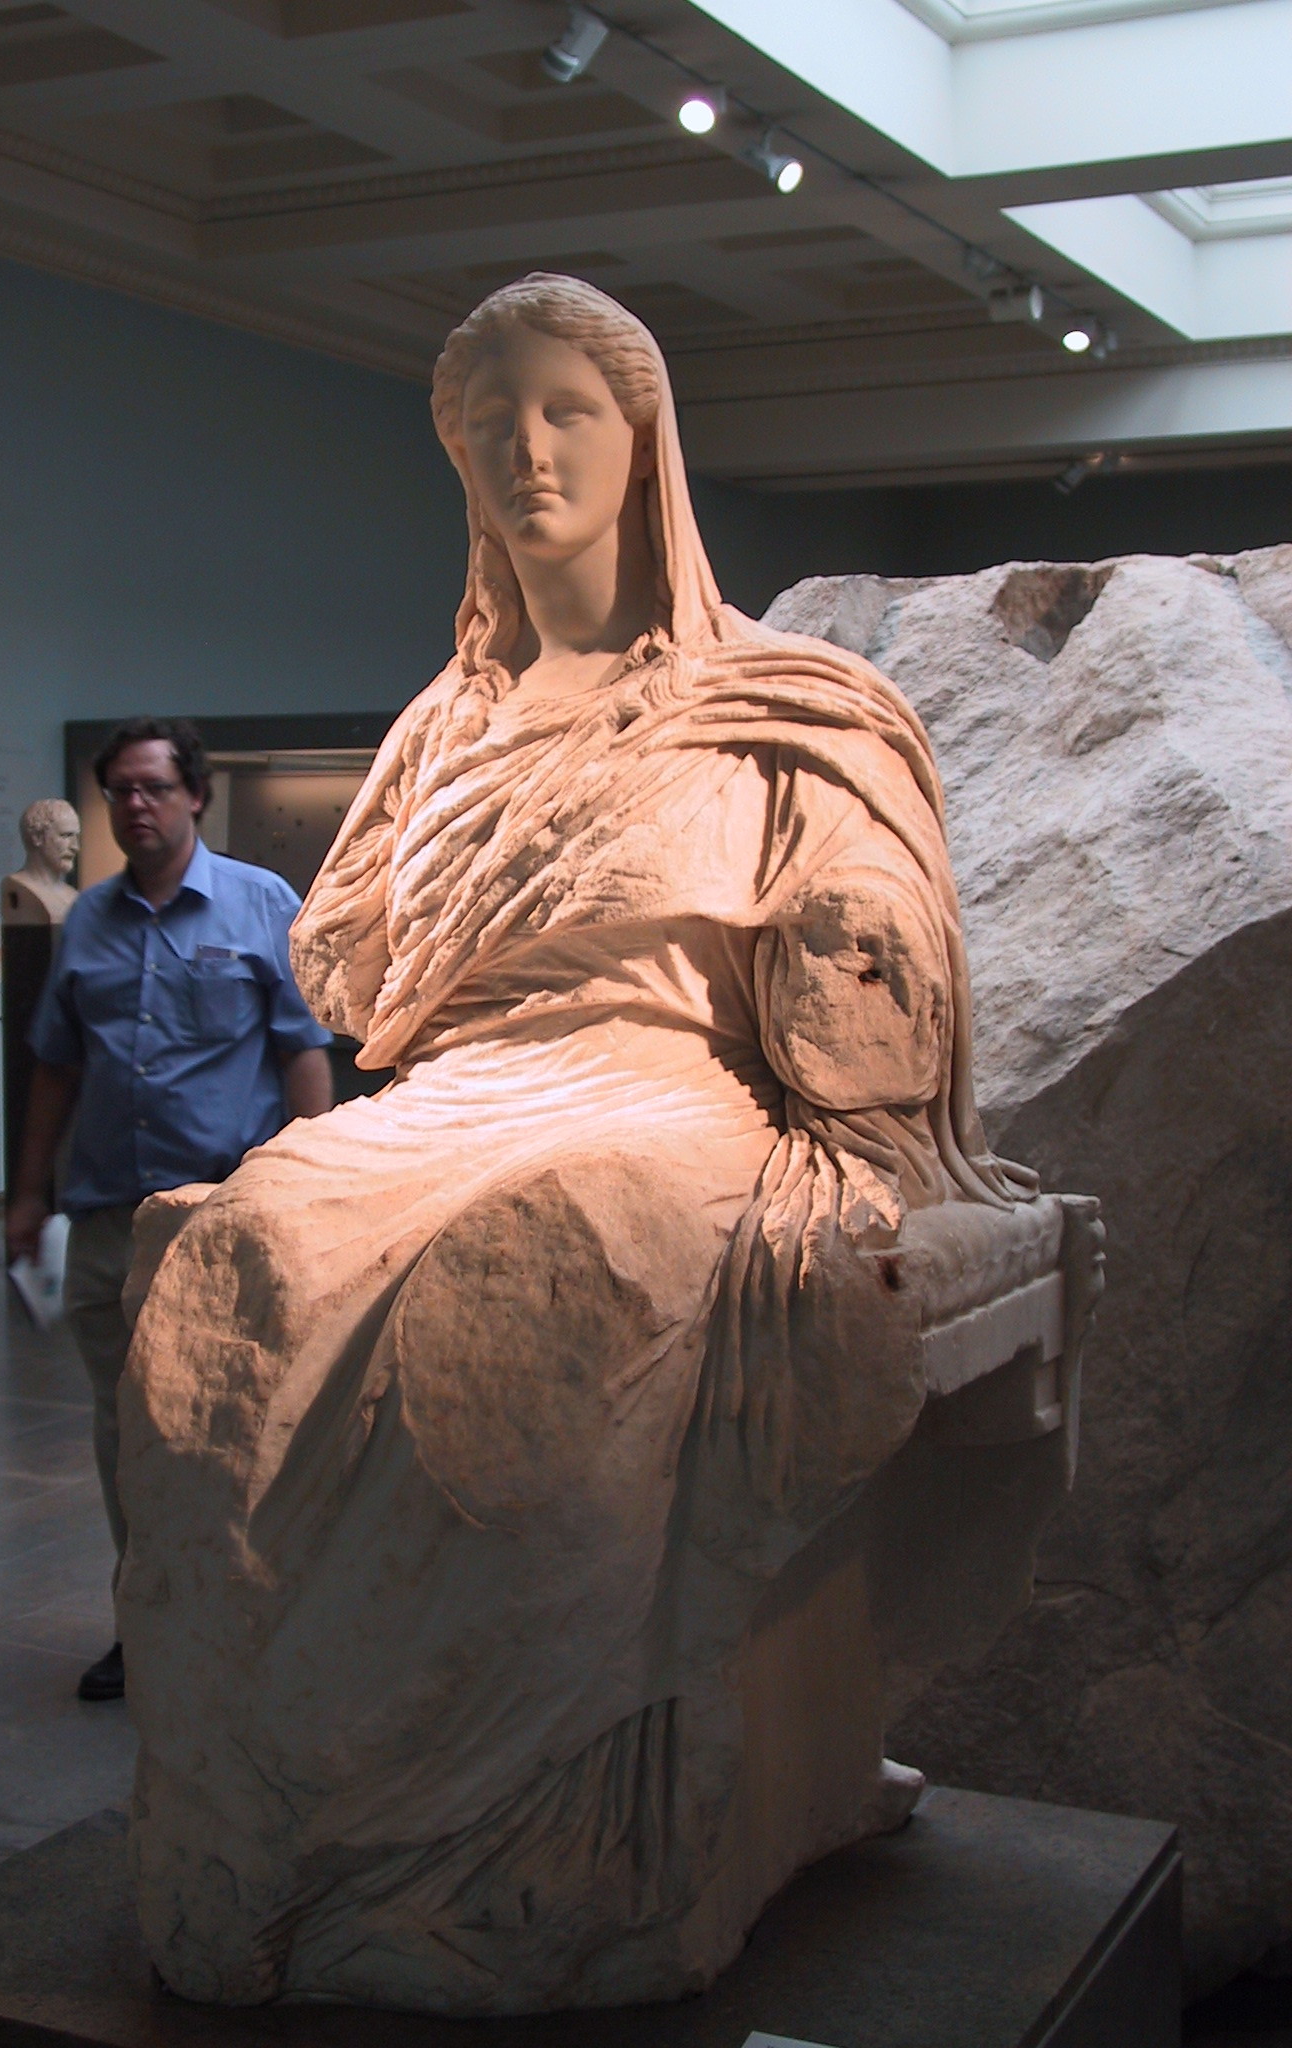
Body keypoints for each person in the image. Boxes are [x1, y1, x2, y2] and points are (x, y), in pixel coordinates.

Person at [114, 278, 1042, 2011]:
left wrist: (849, 923)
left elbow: (878, 928)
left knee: (555, 1262)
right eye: (492, 424)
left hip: (680, 1090)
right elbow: (358, 970)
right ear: (458, 463)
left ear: (643, 440)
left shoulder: (787, 699)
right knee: (235, 1254)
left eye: (567, 412)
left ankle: (534, 1842)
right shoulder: (442, 728)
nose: (528, 451)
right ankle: (258, 1804)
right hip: (467, 1089)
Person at [5, 716, 334, 1703]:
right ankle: (144, 1623)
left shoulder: (259, 902)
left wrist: (314, 1186)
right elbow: (56, 1068)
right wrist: (29, 1192)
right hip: (109, 1220)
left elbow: (303, 1050)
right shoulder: (89, 923)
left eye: (154, 786)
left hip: (221, 1220)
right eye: (121, 789)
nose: (135, 804)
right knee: (125, 1436)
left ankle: (245, 1626)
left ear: (194, 794)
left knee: (231, 1430)